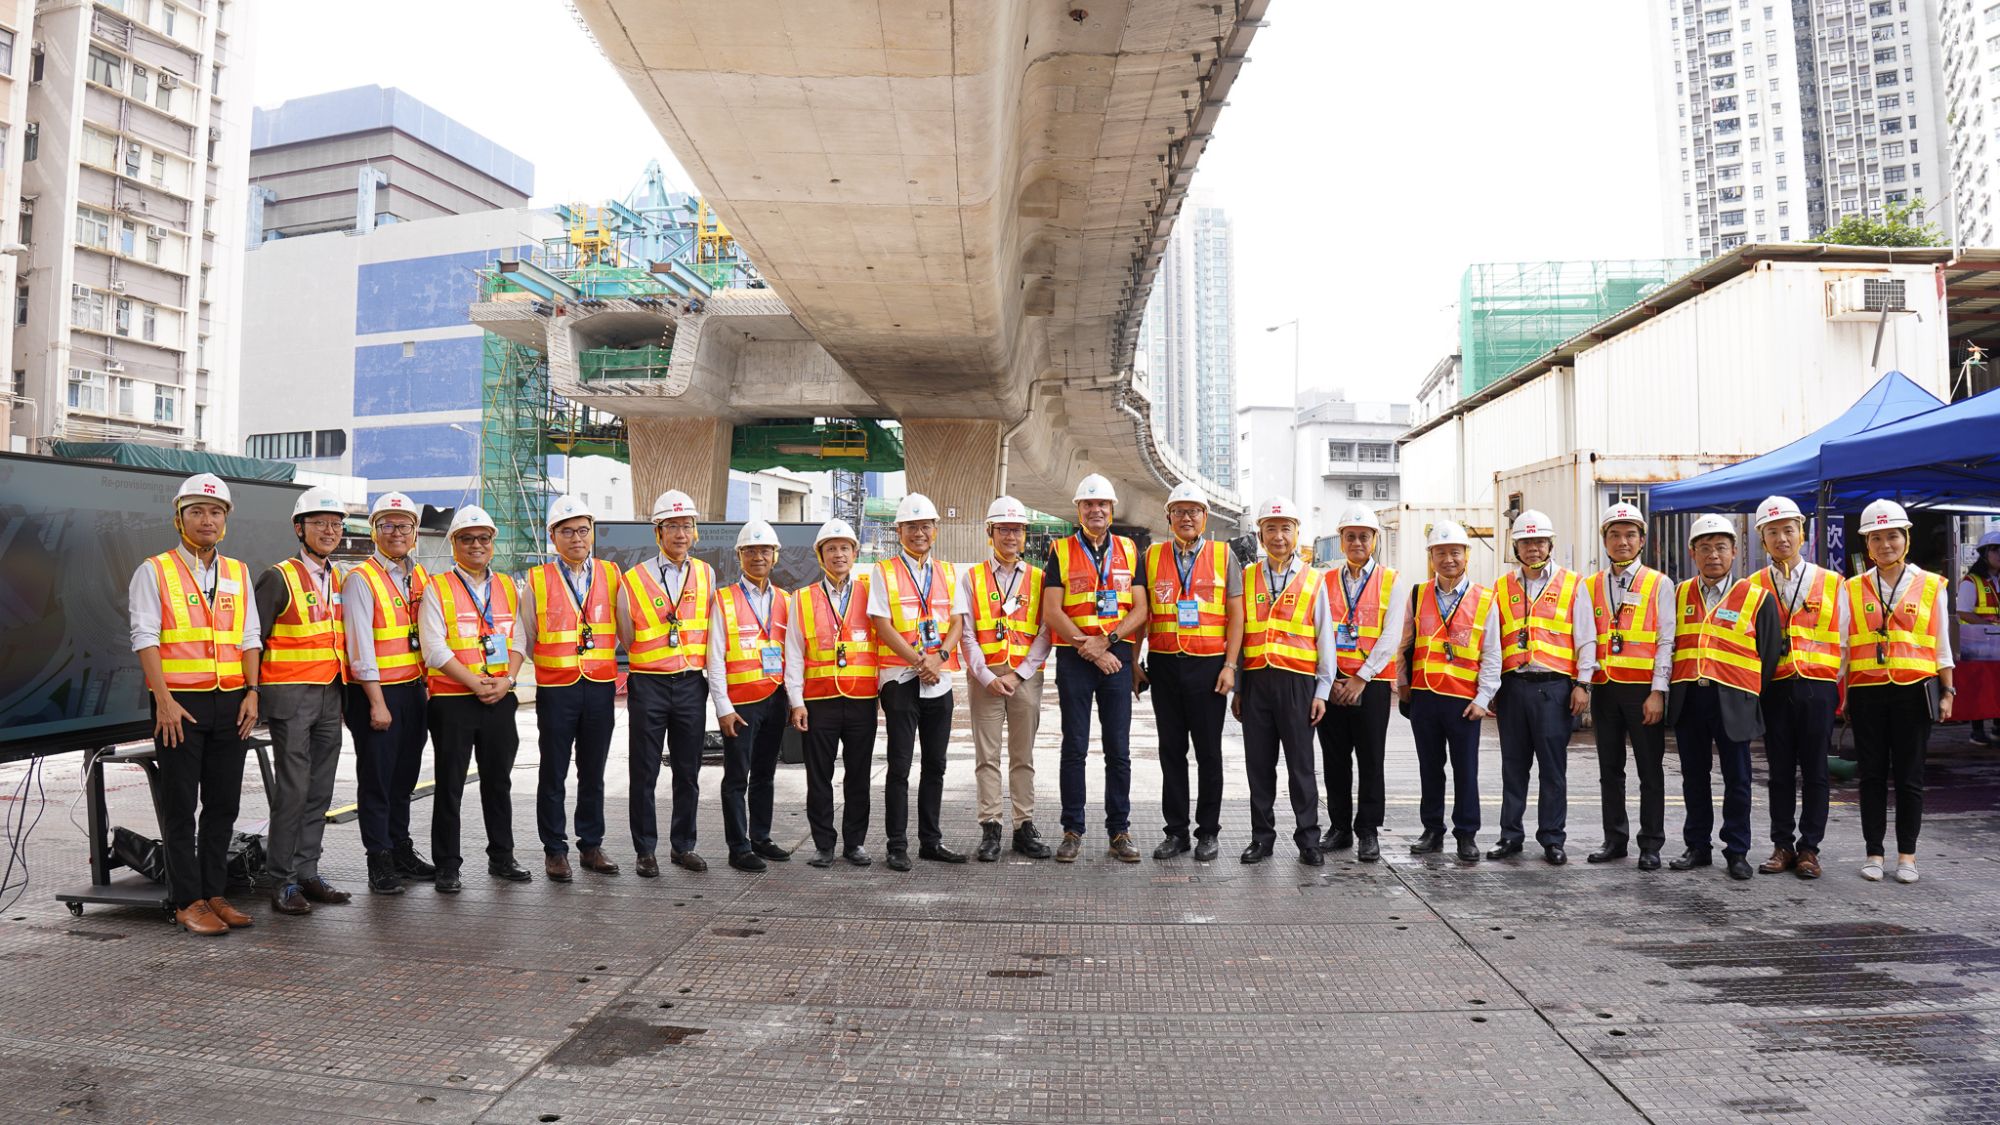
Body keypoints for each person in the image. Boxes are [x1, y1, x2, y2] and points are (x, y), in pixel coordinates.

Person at [129, 473, 262, 936]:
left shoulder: (238, 572)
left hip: (232, 702)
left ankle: (214, 893)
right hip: (179, 705)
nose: (208, 520)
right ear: (179, 518)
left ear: (225, 520)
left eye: (216, 512)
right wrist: (163, 700)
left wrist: (253, 692)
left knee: (223, 805)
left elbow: (249, 637)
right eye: (197, 511)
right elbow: (144, 638)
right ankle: (187, 901)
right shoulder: (154, 570)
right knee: (181, 805)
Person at [1843, 499, 1956, 884]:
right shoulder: (1852, 588)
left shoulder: (1931, 585)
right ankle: (1873, 853)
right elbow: (1844, 647)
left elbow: (1941, 645)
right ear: (1866, 544)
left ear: (1906, 538)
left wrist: (1948, 691)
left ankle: (1907, 855)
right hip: (1867, 692)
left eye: (1892, 536)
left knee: (1910, 777)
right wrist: (1843, 695)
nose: (1885, 544)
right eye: (1876, 538)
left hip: (1915, 692)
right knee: (1871, 776)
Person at [1667, 514, 1784, 882]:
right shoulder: (1678, 594)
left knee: (1738, 780)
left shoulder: (1757, 598)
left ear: (1735, 552)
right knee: (1693, 778)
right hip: (1690, 699)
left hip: (1734, 701)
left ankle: (1737, 851)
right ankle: (1697, 846)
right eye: (1704, 548)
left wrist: (1745, 689)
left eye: (1720, 547)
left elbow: (1768, 654)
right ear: (1692, 553)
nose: (1713, 555)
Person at [1041, 473, 1151, 863]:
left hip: (1116, 655)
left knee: (1118, 749)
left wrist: (1109, 641)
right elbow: (1052, 610)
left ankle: (1119, 831)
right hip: (1075, 658)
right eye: (1088, 504)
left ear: (1112, 508)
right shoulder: (1060, 550)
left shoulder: (1130, 550)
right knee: (1074, 747)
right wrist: (1088, 647)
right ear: (1078, 509)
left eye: (1102, 503)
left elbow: (1141, 609)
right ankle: (1072, 830)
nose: (1096, 510)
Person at [255, 487, 353, 916]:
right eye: (320, 523)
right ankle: (282, 881)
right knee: (293, 790)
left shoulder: (340, 578)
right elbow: (252, 640)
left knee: (320, 789)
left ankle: (307, 871)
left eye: (336, 524)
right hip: (291, 696)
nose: (329, 531)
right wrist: (252, 693)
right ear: (299, 528)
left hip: (331, 693)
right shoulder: (278, 577)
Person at [420, 506, 528, 892]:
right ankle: (447, 865)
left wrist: (507, 680)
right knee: (449, 786)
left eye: (483, 538)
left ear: (492, 543)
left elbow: (519, 640)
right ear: (454, 543)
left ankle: (502, 857)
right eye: (467, 538)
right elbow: (434, 649)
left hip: (499, 698)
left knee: (498, 782)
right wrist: (475, 683)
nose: (476, 545)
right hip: (453, 701)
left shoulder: (508, 587)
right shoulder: (438, 588)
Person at [1135, 481, 1242, 862]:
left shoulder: (1223, 555)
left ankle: (1208, 832)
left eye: (1193, 510)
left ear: (1205, 517)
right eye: (1179, 511)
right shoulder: (1151, 556)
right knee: (1171, 751)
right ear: (1168, 517)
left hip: (1209, 667)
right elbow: (1141, 614)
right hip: (1164, 666)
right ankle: (1176, 832)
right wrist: (1133, 662)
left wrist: (1230, 666)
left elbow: (1236, 615)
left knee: (1209, 752)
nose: (1186, 517)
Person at [1744, 495, 1845, 880]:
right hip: (1774, 688)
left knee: (1816, 770)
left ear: (1802, 533)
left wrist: (1838, 688)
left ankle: (1809, 849)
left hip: (1817, 687)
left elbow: (1846, 640)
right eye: (1772, 532)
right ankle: (1782, 845)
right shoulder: (1753, 586)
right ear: (1762, 538)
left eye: (1788, 530)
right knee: (1780, 771)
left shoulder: (1831, 582)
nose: (1781, 538)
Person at [341, 492, 437, 894]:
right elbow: (360, 646)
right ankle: (378, 859)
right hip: (376, 695)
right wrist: (377, 703)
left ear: (415, 533)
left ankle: (400, 849)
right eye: (387, 525)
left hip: (413, 690)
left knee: (404, 777)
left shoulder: (421, 576)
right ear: (374, 531)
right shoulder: (361, 579)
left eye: (404, 525)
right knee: (377, 780)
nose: (397, 532)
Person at [524, 495, 622, 884]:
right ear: (553, 536)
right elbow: (528, 636)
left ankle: (591, 846)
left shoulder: (612, 574)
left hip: (599, 686)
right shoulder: (537, 579)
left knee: (593, 771)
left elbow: (623, 626)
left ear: (592, 532)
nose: (577, 538)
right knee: (553, 771)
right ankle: (555, 850)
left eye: (583, 530)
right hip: (556, 688)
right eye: (567, 531)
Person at [1489, 509, 1597, 865]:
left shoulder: (1573, 583)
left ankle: (1552, 838)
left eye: (1539, 542)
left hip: (1554, 689)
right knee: (1513, 767)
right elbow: (1490, 642)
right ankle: (1510, 836)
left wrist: (1583, 684)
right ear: (1515, 548)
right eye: (1525, 542)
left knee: (1553, 768)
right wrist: (1490, 688)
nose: (1532, 548)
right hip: (1513, 687)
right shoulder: (1501, 587)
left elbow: (1586, 638)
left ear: (1550, 545)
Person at [619, 489, 716, 877]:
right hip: (649, 684)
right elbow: (626, 634)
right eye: (672, 526)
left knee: (688, 771)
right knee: (644, 771)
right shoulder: (633, 578)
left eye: (686, 526)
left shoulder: (706, 573)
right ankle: (645, 850)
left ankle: (683, 845)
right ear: (657, 532)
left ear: (695, 531)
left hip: (691, 684)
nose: (680, 533)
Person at [870, 493, 967, 870]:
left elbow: (957, 622)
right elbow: (882, 624)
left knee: (936, 764)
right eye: (911, 527)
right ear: (899, 531)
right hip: (900, 679)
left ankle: (931, 841)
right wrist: (918, 661)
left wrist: (939, 657)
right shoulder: (883, 571)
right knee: (899, 766)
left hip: (938, 680)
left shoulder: (948, 572)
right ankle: (897, 844)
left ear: (935, 530)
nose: (919, 533)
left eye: (925, 526)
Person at [1234, 497, 1331, 865]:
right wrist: (1239, 687)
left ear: (1296, 533)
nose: (1278, 536)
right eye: (1270, 529)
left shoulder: (1313, 579)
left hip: (1298, 684)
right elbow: (1239, 635)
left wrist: (1322, 691)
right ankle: (1262, 838)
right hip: (1256, 683)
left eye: (1285, 529)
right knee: (1259, 766)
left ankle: (1309, 839)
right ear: (1260, 535)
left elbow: (1324, 638)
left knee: (1301, 766)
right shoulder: (1246, 577)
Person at [958, 496, 1056, 861]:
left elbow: (1046, 631)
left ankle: (1023, 826)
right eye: (1003, 529)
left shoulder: (1039, 579)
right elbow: (966, 633)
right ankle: (990, 827)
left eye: (1017, 529)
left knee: (1022, 756)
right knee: (986, 757)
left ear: (1024, 534)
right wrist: (985, 675)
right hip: (985, 679)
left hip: (1024, 679)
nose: (1010, 536)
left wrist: (1020, 673)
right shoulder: (972, 578)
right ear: (990, 532)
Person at [1396, 520, 1500, 862]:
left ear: (1466, 555)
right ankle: (1432, 830)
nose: (1448, 559)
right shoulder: (1418, 594)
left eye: (1455, 552)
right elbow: (1405, 644)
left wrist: (1483, 699)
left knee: (1465, 770)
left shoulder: (1485, 599)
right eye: (1440, 553)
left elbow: (1492, 653)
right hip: (1425, 696)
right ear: (1431, 557)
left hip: (1464, 701)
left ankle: (1466, 834)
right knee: (1430, 768)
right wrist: (1403, 685)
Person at [1584, 502, 1674, 871]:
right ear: (1605, 540)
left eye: (1630, 535)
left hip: (1642, 691)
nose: (1623, 541)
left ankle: (1651, 843)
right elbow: (1586, 637)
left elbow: (1666, 640)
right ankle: (1614, 839)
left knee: (1650, 771)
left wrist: (1658, 691)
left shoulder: (1658, 583)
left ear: (1641, 540)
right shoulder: (1590, 585)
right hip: (1605, 688)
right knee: (1610, 770)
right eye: (1615, 535)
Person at [787, 519, 879, 868]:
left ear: (854, 553)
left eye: (844, 548)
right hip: (819, 701)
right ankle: (823, 844)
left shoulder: (871, 594)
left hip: (861, 701)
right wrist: (796, 701)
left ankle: (855, 843)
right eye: (831, 549)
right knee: (819, 777)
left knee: (858, 775)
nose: (838, 554)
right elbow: (794, 653)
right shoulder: (802, 598)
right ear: (820, 555)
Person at [1315, 504, 1404, 864]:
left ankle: (1367, 831)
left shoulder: (1391, 580)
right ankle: (1339, 828)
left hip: (1371, 685)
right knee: (1334, 760)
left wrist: (1360, 677)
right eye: (1350, 536)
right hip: (1333, 684)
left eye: (1363, 536)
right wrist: (1334, 679)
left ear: (1374, 539)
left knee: (1370, 760)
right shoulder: (1324, 581)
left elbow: (1391, 635)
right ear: (1341, 540)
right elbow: (1319, 631)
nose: (1356, 542)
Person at [708, 520, 794, 872]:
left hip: (775, 698)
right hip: (740, 704)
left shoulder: (786, 600)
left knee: (764, 773)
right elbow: (714, 659)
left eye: (765, 551)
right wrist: (723, 708)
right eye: (750, 551)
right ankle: (739, 847)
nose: (758, 557)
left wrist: (794, 701)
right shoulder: (724, 599)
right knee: (736, 777)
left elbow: (794, 654)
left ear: (775, 556)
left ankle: (761, 837)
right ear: (739, 556)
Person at [1956, 530, 2000, 746]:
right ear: (1984, 554)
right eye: (1995, 550)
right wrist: (1988, 626)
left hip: (1997, 644)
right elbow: (1963, 612)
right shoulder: (1970, 582)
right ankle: (1977, 731)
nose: (1999, 555)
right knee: (1979, 687)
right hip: (1977, 644)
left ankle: (1998, 727)